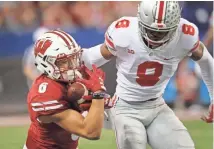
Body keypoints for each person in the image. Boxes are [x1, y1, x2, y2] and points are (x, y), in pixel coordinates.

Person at [81, 1, 213, 149]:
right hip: (125, 106)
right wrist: (71, 60)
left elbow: (206, 60)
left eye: (163, 32)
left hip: (156, 105)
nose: (157, 37)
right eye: (152, 31)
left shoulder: (186, 35)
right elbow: (93, 57)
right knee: (133, 143)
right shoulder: (124, 32)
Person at [24, 29, 111, 149]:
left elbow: (103, 52)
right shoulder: (44, 95)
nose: (72, 65)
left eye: (73, 58)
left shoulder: (68, 75)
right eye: (64, 61)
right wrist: (98, 94)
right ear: (46, 64)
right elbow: (91, 132)